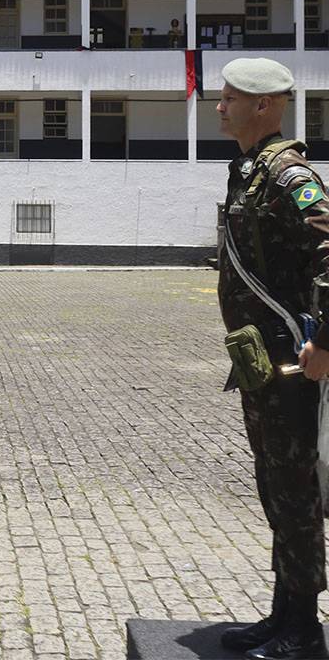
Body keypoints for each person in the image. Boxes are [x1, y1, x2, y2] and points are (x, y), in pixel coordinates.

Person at [214, 57, 329, 660]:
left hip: (294, 359)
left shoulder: (288, 176)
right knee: (275, 484)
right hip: (264, 358)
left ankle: (304, 626)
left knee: (295, 487)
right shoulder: (250, 173)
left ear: (263, 105)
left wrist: (327, 344)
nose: (219, 106)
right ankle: (284, 611)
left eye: (229, 97)